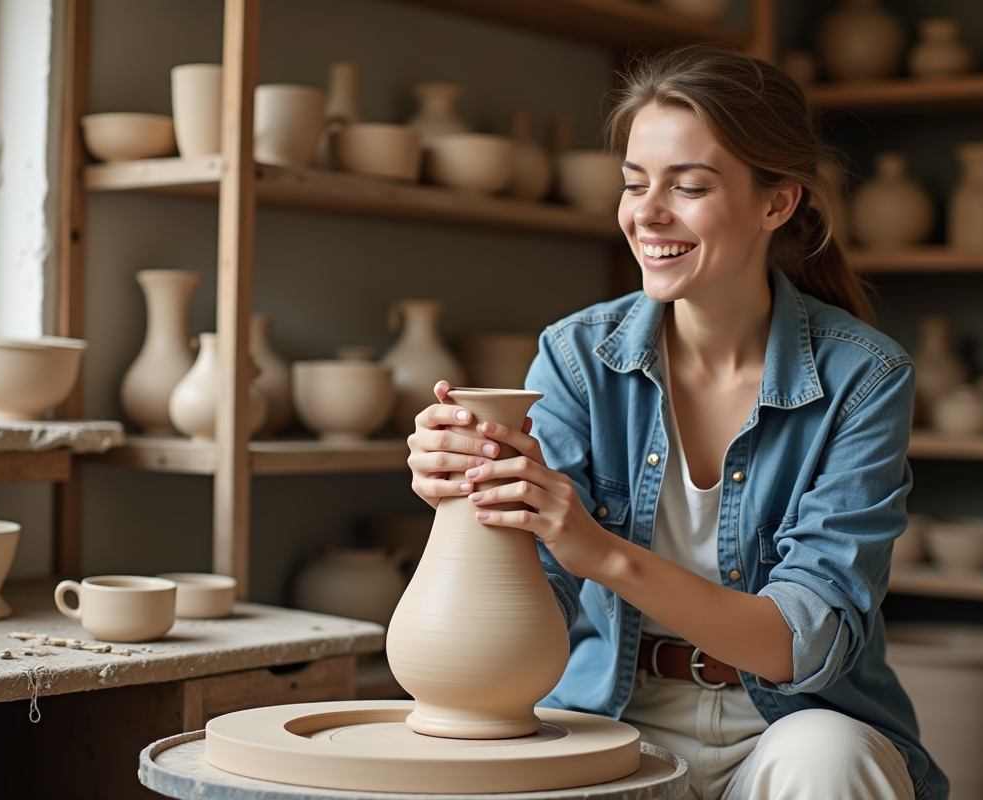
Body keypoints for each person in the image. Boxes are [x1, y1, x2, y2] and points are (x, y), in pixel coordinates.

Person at [406, 45, 948, 800]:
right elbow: (536, 592)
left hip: (787, 721)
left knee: (829, 758)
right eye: (634, 184)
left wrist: (602, 551)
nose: (648, 214)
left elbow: (807, 640)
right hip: (612, 713)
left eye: (688, 187)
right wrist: (468, 497)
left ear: (776, 203)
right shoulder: (575, 359)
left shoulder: (864, 377)